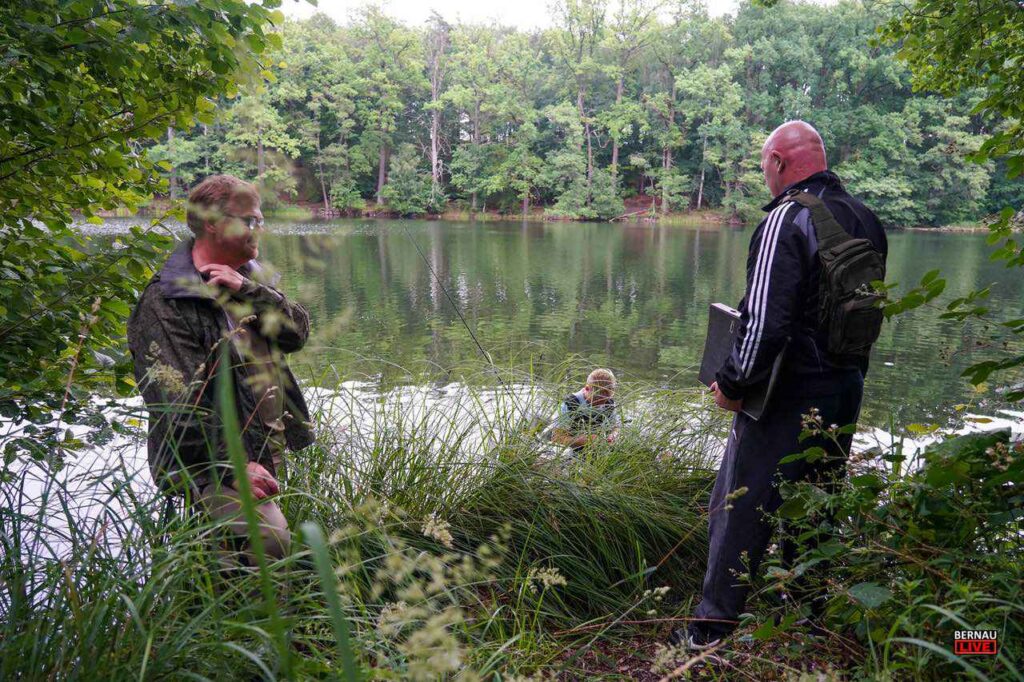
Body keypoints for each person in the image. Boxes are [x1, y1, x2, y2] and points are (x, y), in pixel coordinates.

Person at [672, 121, 888, 649]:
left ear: (778, 161)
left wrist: (732, 382)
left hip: (785, 394)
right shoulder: (866, 218)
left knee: (737, 504)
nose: (763, 175)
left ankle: (711, 629)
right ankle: (808, 615)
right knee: (816, 501)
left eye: (763, 165)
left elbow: (765, 319)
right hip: (845, 385)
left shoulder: (787, 218)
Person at [127, 174, 314, 565]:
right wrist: (232, 467)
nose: (256, 228)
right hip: (207, 461)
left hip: (265, 447)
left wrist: (251, 290)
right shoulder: (167, 301)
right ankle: (250, 620)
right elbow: (177, 404)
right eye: (249, 220)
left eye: (258, 220)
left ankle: (239, 617)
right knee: (270, 539)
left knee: (233, 559)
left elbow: (295, 336)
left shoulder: (250, 275)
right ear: (212, 223)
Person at [548, 368, 621, 452]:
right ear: (587, 388)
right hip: (569, 450)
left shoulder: (609, 403)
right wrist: (584, 440)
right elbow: (556, 438)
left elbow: (616, 427)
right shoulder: (570, 404)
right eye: (597, 398)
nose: (602, 403)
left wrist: (613, 435)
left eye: (606, 397)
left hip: (595, 449)